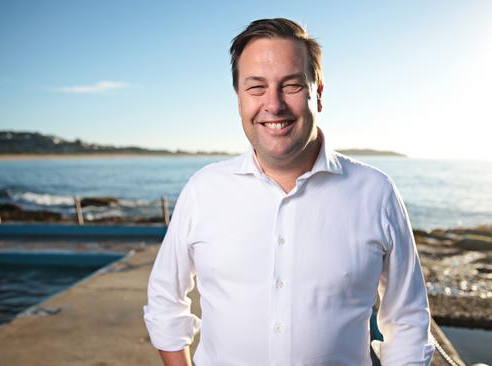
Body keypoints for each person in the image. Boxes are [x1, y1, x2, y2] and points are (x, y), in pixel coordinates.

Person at [144, 18, 434, 366]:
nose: (274, 104)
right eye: (256, 88)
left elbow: (408, 321)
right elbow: (165, 298)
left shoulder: (376, 193)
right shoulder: (203, 190)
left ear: (318, 94)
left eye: (292, 85)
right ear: (239, 98)